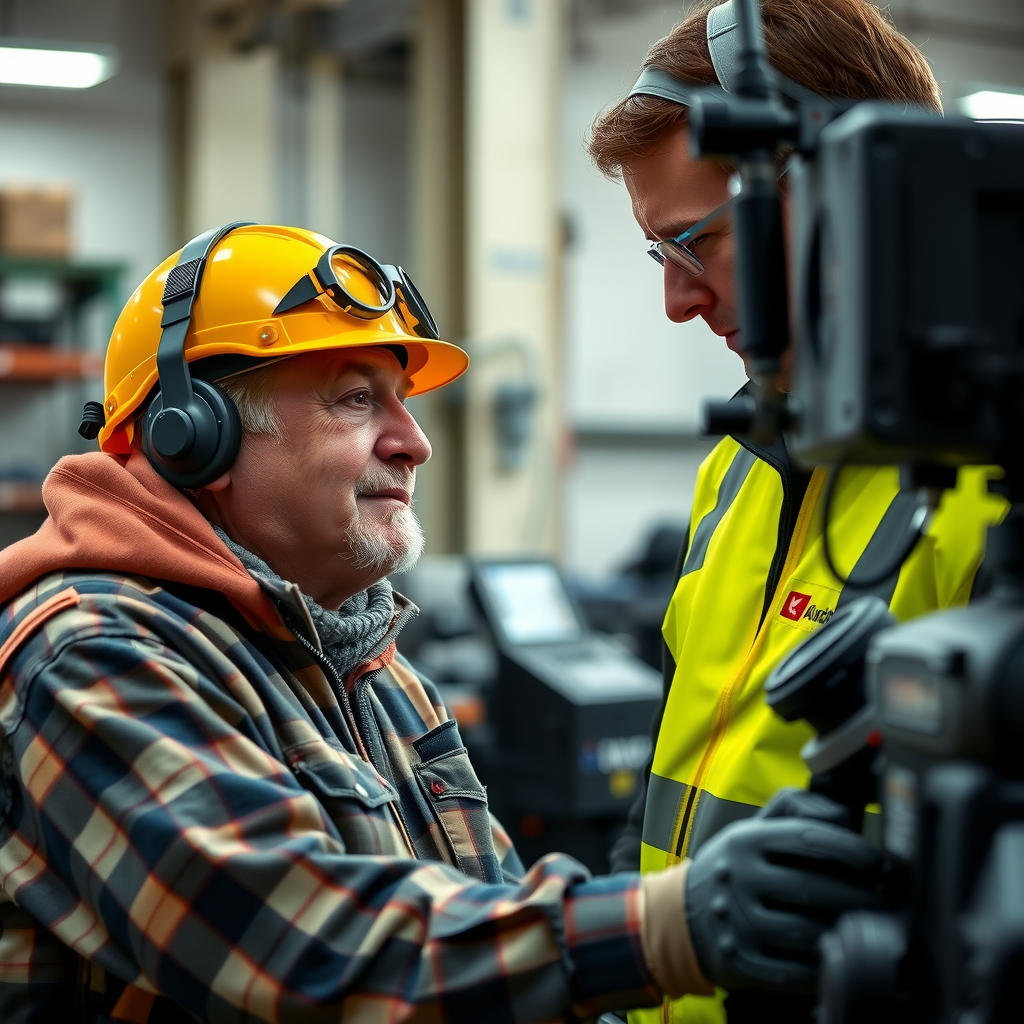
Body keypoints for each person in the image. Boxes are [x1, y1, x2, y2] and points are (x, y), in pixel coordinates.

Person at [0, 224, 882, 1023]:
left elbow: (487, 907)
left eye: (402, 401)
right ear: (193, 435)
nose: (413, 441)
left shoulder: (368, 662)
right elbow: (307, 951)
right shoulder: (91, 656)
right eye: (355, 399)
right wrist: (666, 927)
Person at [587, 1, 1007, 1022]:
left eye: (700, 242)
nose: (678, 303)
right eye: (661, 255)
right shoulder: (736, 471)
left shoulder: (989, 489)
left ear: (852, 194)